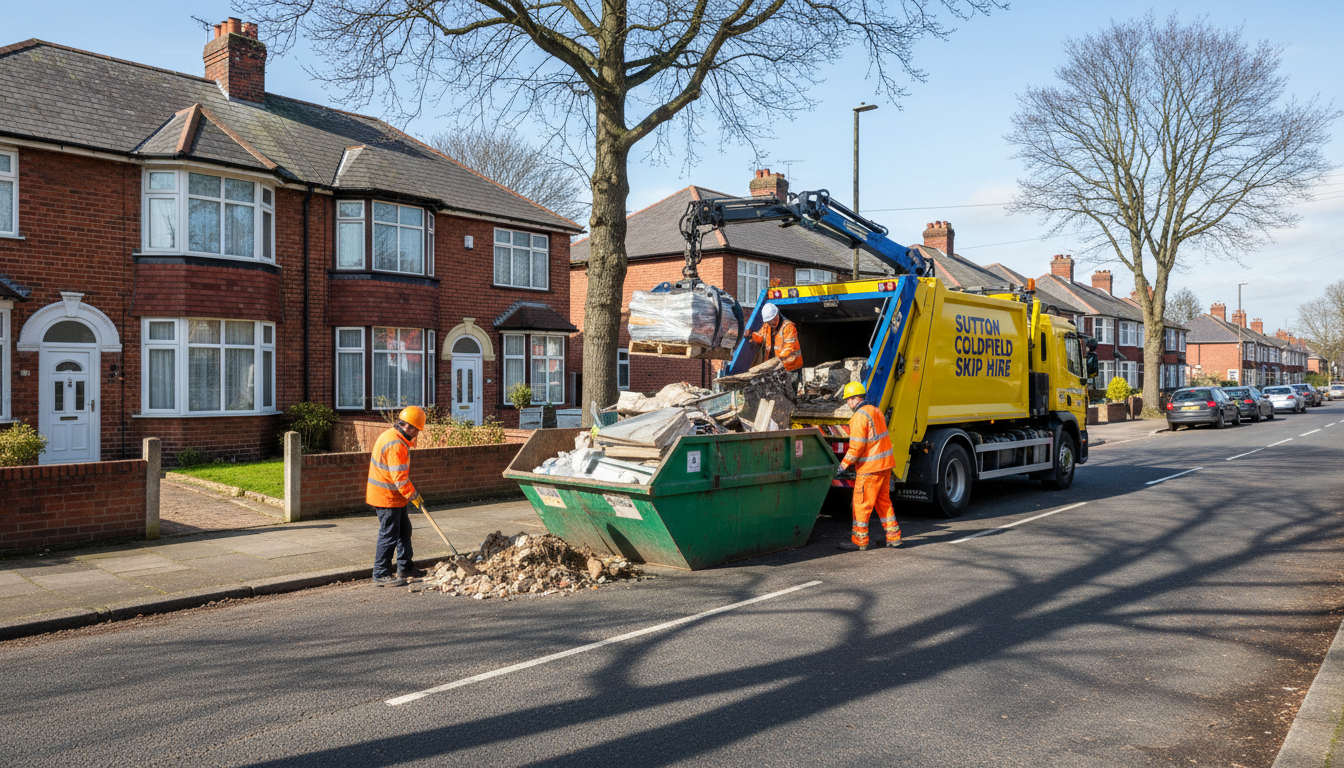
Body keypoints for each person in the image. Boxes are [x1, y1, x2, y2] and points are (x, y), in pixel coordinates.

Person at [367, 406, 429, 586]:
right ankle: (381, 573)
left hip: (392, 496)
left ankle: (405, 568)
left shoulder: (391, 435)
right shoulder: (396, 444)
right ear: (409, 427)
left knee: (404, 531)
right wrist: (414, 495)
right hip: (387, 498)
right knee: (389, 535)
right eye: (417, 430)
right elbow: (400, 478)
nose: (417, 435)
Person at [835, 382, 900, 551]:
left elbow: (856, 448)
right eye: (848, 400)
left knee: (861, 503)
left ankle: (859, 540)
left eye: (850, 399)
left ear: (857, 398)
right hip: (885, 466)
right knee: (883, 501)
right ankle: (893, 537)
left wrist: (842, 466)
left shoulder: (858, 417)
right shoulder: (876, 411)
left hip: (870, 469)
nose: (849, 403)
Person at [751, 303, 804, 388]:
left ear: (777, 314)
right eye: (769, 321)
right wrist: (752, 336)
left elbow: (789, 349)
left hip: (791, 368)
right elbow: (760, 337)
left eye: (774, 319)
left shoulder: (789, 327)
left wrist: (773, 363)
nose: (772, 323)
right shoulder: (767, 326)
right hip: (777, 368)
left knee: (790, 394)